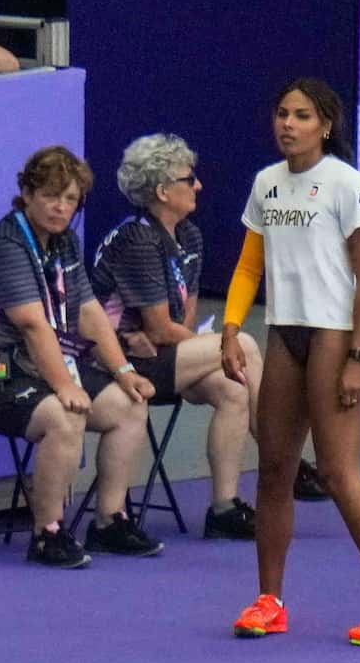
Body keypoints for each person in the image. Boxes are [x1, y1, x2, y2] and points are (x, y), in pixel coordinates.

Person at [219, 77, 360, 645]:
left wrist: (359, 356)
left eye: (302, 115)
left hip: (334, 339)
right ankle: (269, 601)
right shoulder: (266, 184)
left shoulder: (347, 184)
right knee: (274, 470)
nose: (288, 124)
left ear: (326, 126)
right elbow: (247, 269)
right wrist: (232, 328)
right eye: (282, 113)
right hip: (284, 334)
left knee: (337, 473)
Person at [0, 144, 159, 570]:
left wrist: (124, 369)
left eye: (70, 199)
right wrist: (64, 387)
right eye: (50, 196)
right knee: (65, 415)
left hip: (39, 369)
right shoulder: (7, 245)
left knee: (130, 404)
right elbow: (33, 325)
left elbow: (90, 311)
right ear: (27, 193)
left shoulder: (65, 242)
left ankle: (110, 520)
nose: (60, 208)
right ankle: (48, 534)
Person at [93, 132, 259, 541]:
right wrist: (205, 345)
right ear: (163, 191)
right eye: (190, 179)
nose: (199, 185)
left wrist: (197, 345)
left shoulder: (190, 237)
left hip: (162, 354)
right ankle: (282, 459)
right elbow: (159, 327)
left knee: (233, 388)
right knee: (247, 347)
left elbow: (183, 317)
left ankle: (223, 508)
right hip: (117, 359)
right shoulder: (137, 239)